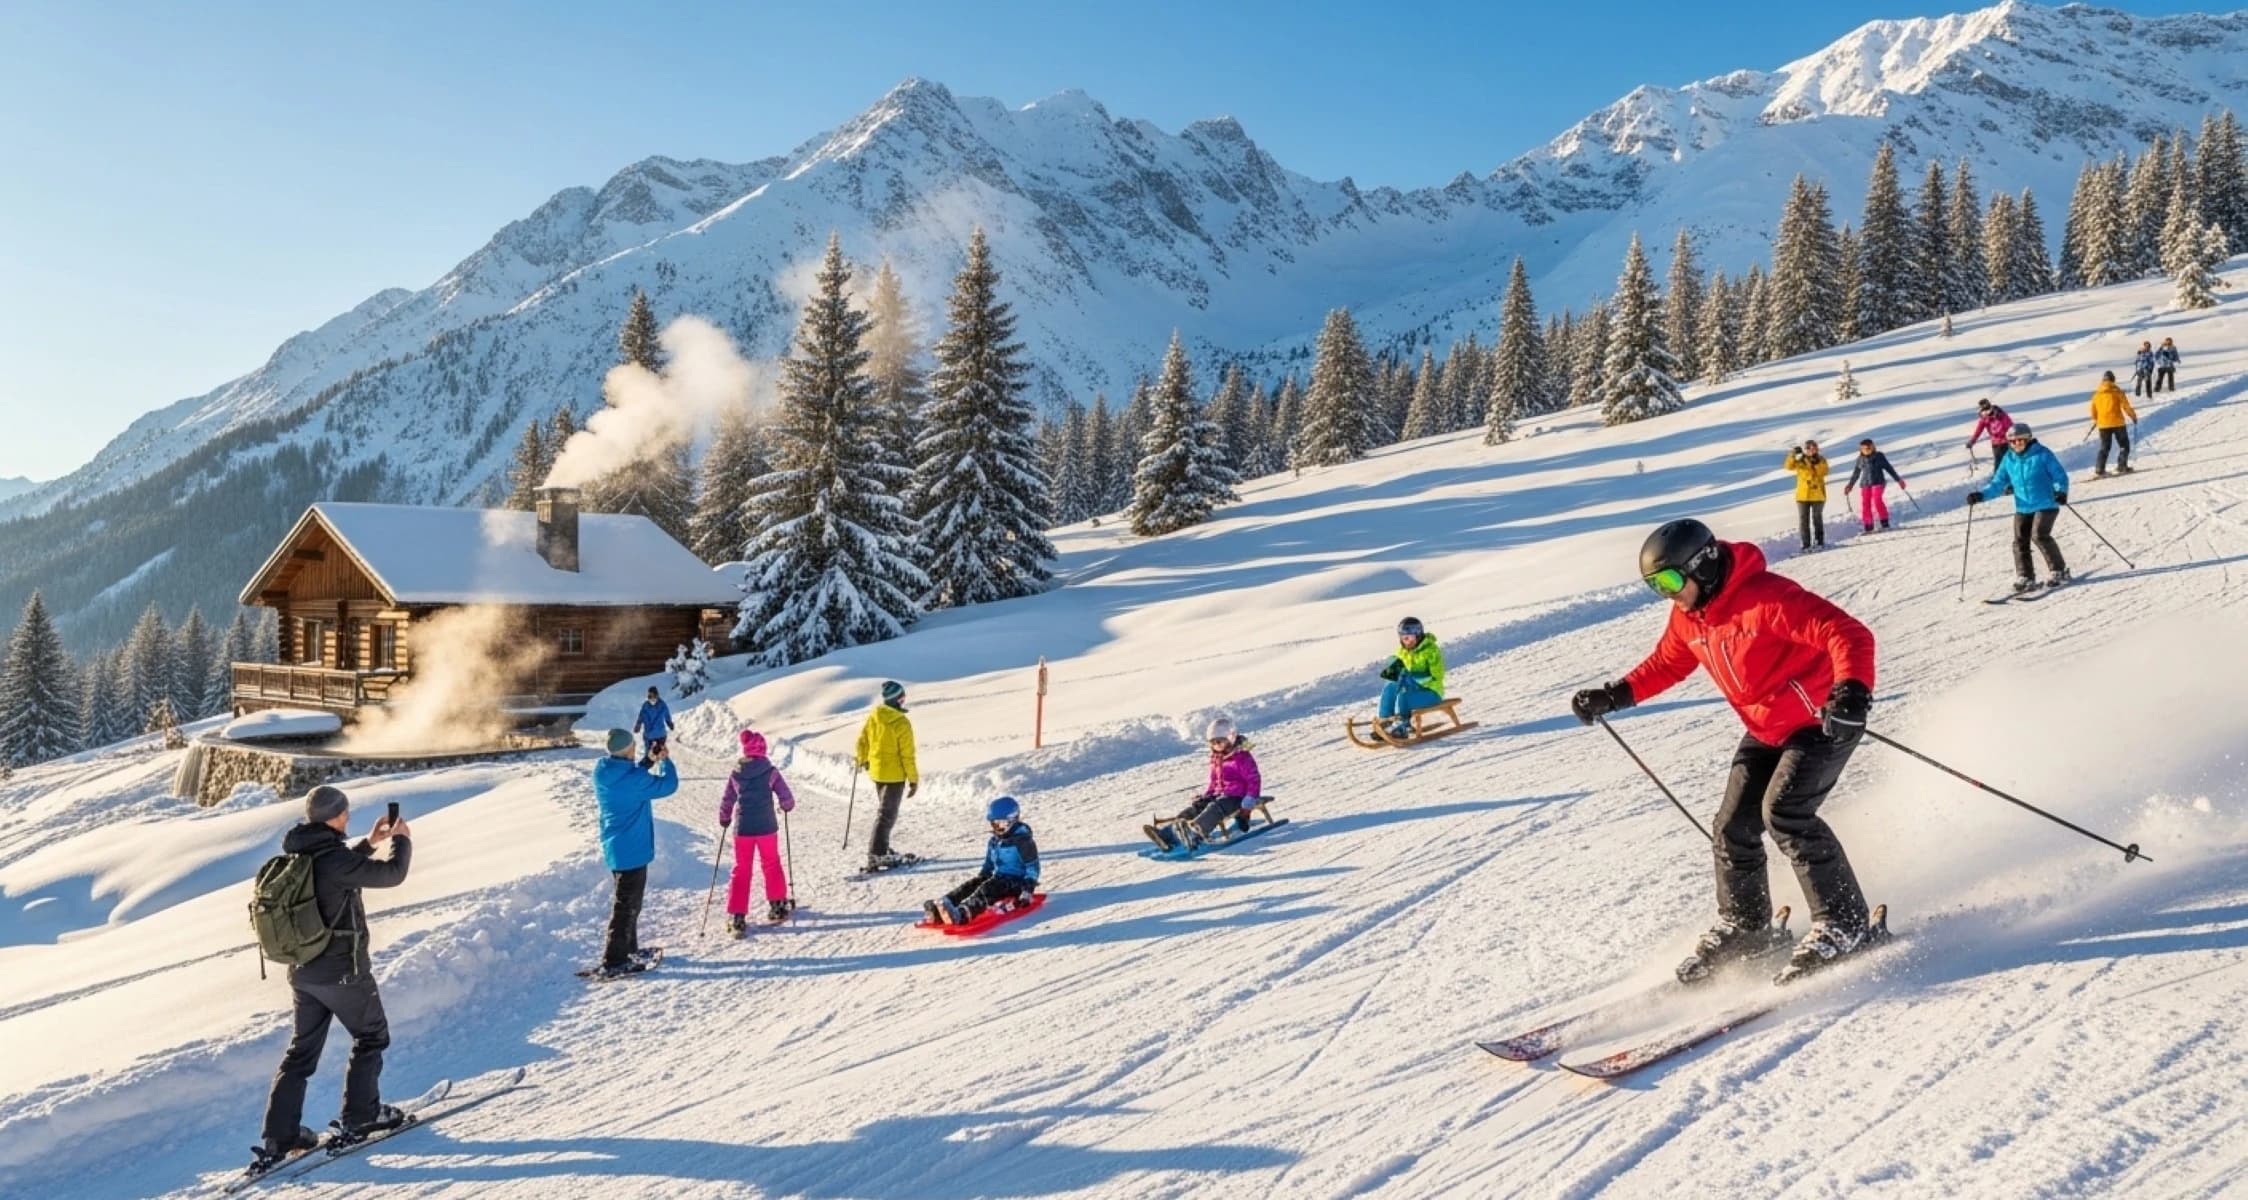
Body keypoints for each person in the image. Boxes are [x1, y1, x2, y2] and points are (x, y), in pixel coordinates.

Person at [1570, 519, 1878, 983]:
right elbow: (1669, 663)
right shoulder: (1690, 617)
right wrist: (1615, 695)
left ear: (1704, 565)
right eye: (1656, 587)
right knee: (1733, 826)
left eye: (1671, 581)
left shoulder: (1767, 598)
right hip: (1766, 728)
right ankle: (1747, 926)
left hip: (1820, 721)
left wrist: (1851, 692)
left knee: (1786, 813)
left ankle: (1843, 923)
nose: (1668, 595)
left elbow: (1847, 634)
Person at [254, 786, 414, 1172]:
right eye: (345, 812)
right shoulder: (334, 859)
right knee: (371, 1036)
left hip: (304, 973)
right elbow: (392, 875)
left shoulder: (301, 853)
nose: (348, 816)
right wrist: (401, 842)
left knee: (301, 1053)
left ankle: (281, 1136)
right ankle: (362, 1117)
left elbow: (334, 876)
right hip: (342, 971)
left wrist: (369, 843)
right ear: (336, 817)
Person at [594, 728, 678, 977]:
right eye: (632, 747)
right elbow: (668, 785)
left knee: (630, 903)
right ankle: (614, 960)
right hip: (632, 849)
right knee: (627, 906)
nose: (635, 749)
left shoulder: (603, 770)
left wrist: (647, 761)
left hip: (616, 847)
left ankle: (629, 950)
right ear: (627, 750)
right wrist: (664, 761)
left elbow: (629, 776)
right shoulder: (632, 780)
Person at [1965, 422, 2071, 593]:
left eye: (2020, 441)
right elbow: (1998, 483)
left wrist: (2061, 492)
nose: (2016, 445)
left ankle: (2058, 570)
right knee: (2020, 540)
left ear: (2028, 440)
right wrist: (1981, 495)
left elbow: (2059, 476)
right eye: (2012, 442)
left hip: (2047, 503)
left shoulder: (2042, 454)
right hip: (2023, 506)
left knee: (2039, 535)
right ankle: (2026, 576)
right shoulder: (2009, 459)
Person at [718, 729, 797, 933]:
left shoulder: (736, 773)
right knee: (771, 863)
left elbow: (728, 799)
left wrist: (725, 817)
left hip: (743, 829)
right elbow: (785, 795)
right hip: (767, 827)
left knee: (741, 869)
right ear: (763, 750)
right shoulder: (770, 771)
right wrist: (787, 805)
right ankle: (778, 904)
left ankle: (737, 915)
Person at [1147, 717, 1263, 851]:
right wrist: (1205, 796)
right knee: (1195, 809)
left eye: (1220, 741)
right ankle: (1167, 834)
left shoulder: (1242, 757)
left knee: (1214, 808)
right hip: (1220, 795)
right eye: (1213, 743)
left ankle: (1196, 834)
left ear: (1231, 738)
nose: (1217, 745)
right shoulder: (1216, 758)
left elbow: (1254, 780)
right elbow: (1214, 782)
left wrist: (1248, 802)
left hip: (1237, 797)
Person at [925, 797, 1041, 926]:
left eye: (1000, 824)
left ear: (1012, 821)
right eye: (994, 824)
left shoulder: (1023, 842)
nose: (997, 828)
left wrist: (1027, 890)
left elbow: (1033, 868)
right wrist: (980, 878)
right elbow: (988, 865)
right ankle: (943, 906)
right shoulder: (994, 841)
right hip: (1000, 878)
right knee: (974, 883)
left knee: (988, 888)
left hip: (1018, 884)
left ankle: (963, 914)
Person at [854, 680, 920, 872]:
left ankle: (882, 848)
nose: (903, 700)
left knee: (885, 812)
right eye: (902, 697)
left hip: (877, 773)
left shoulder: (875, 715)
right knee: (886, 816)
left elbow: (862, 741)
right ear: (896, 699)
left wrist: (863, 759)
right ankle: (877, 854)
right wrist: (913, 780)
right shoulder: (901, 723)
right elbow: (907, 755)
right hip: (894, 776)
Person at [1376, 617, 1446, 738]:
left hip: (1431, 693)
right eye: (1403, 638)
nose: (1406, 641)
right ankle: (1385, 721)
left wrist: (1413, 676)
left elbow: (1438, 676)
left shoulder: (1431, 650)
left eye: (1409, 637)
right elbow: (1395, 676)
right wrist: (1393, 670)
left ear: (1418, 635)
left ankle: (1404, 726)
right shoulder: (1402, 651)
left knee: (1404, 697)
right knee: (1390, 684)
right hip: (1412, 690)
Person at [1842, 439, 1906, 535]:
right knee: (1865, 503)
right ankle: (1868, 527)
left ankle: (1885, 524)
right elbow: (1856, 473)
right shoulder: (1860, 459)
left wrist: (1898, 480)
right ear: (1861, 449)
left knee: (1877, 500)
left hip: (1878, 482)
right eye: (1864, 448)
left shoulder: (1879, 456)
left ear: (1873, 447)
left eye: (1868, 447)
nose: (1866, 450)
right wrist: (1850, 485)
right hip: (1865, 483)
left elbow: (1889, 468)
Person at [2088, 369, 2139, 477]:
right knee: (2124, 445)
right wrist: (2133, 416)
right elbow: (2126, 406)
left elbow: (2093, 411)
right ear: (2113, 380)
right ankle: (2122, 466)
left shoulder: (2097, 394)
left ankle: (2099, 469)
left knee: (2104, 447)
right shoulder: (2117, 391)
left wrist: (2097, 419)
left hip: (2103, 424)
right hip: (2117, 423)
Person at [1785, 440, 1830, 551]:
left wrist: (1816, 463)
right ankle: (1806, 544)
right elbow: (1788, 466)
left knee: (1817, 518)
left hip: (1817, 495)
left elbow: (1824, 472)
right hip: (1803, 495)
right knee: (1803, 520)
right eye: (1809, 448)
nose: (1811, 450)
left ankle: (1819, 541)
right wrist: (1792, 455)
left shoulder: (1821, 459)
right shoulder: (1800, 460)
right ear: (1805, 449)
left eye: (1814, 448)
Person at [1966, 399, 2013, 470]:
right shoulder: (1984, 419)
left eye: (1987, 409)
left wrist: (2012, 438)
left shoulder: (2001, 415)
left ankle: (2011, 477)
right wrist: (1972, 441)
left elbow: (2010, 426)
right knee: (1998, 462)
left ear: (1990, 407)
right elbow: (1978, 431)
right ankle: (1997, 478)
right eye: (1983, 410)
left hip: (2006, 442)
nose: (1986, 412)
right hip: (1996, 443)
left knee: (2009, 460)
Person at [633, 687, 673, 766]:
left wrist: (669, 723)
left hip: (660, 734)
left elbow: (667, 714)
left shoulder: (662, 705)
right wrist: (638, 724)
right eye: (649, 697)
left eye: (654, 696)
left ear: (657, 696)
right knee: (649, 754)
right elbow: (641, 716)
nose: (652, 699)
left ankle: (663, 766)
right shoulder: (645, 705)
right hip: (649, 735)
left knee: (661, 752)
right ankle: (643, 768)